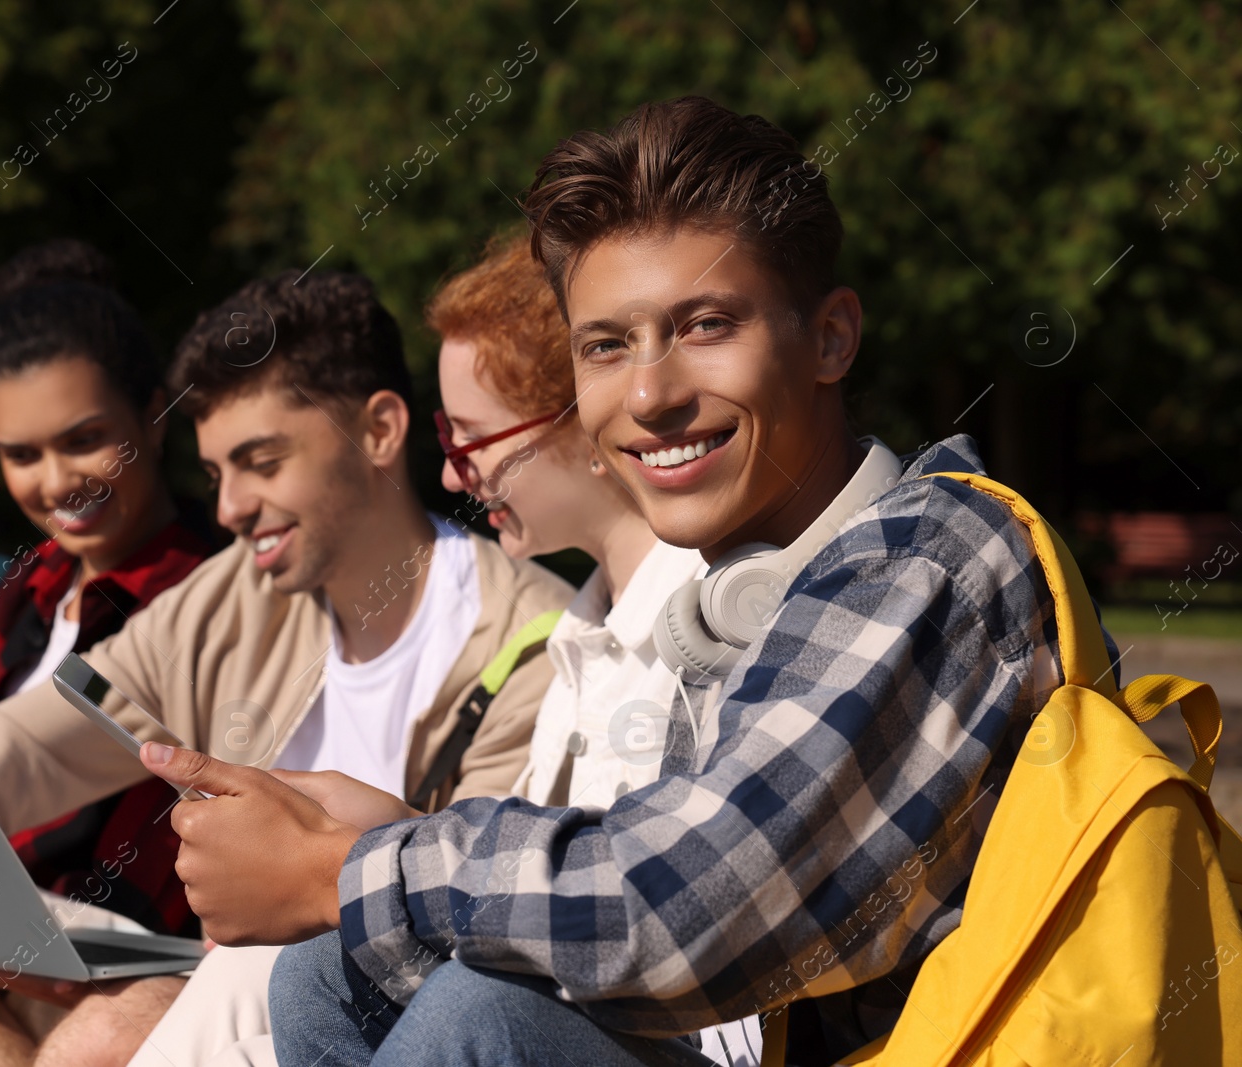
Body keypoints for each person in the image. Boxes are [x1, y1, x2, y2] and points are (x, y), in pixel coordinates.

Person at [129, 96, 1123, 1067]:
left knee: (483, 1014)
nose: (649, 394)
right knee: (329, 971)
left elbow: (684, 908)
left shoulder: (927, 554)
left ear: (830, 337)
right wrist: (398, 839)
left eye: (704, 326)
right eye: (606, 345)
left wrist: (340, 868)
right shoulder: (751, 589)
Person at [0, 270, 572, 1067]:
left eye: (263, 462)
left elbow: (477, 944)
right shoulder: (233, 594)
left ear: (381, 431)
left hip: (357, 1010)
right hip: (208, 976)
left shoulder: (533, 640)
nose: (231, 507)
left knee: (109, 1028)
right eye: (215, 471)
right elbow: (18, 745)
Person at [123, 234, 756, 1067]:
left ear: (585, 420)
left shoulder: (694, 626)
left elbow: (655, 924)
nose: (455, 476)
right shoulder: (582, 631)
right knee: (307, 974)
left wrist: (349, 858)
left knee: (450, 1003)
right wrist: (387, 830)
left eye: (473, 440)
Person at [0, 238, 214, 934]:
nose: (58, 481)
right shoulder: (18, 591)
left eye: (85, 439)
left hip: (87, 961)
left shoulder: (210, 596)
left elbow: (151, 863)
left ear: (154, 417)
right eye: (22, 454)